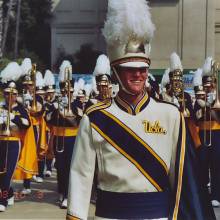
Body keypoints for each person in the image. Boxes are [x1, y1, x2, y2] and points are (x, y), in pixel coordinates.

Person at [67, 0, 214, 219]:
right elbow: (81, 175)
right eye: (130, 69)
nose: (138, 74)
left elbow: (183, 178)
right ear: (116, 71)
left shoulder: (170, 114)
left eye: (143, 69)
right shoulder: (96, 117)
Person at [45, 60, 82, 209]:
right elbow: (48, 120)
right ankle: (62, 191)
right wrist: (58, 109)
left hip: (73, 139)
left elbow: (80, 120)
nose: (68, 93)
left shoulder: (77, 105)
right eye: (66, 91)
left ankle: (68, 195)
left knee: (71, 167)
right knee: (60, 167)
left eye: (70, 91)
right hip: (59, 138)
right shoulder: (56, 105)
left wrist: (70, 108)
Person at [0, 62, 31, 212]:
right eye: (7, 93)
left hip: (13, 142)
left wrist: (13, 117)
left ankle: (3, 201)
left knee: (7, 174)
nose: (9, 96)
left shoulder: (21, 109)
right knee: (0, 173)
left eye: (12, 93)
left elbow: (27, 124)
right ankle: (9, 193)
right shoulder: (0, 107)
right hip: (0, 141)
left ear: (16, 95)